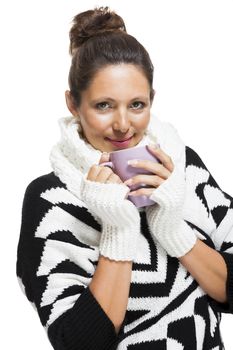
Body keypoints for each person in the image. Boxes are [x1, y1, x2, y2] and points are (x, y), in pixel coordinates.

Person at [16, 6, 233, 350]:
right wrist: (118, 231)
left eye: (136, 105)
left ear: (152, 101)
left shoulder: (183, 167)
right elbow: (78, 343)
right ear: (73, 104)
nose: (122, 125)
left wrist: (173, 229)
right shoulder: (51, 199)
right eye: (103, 105)